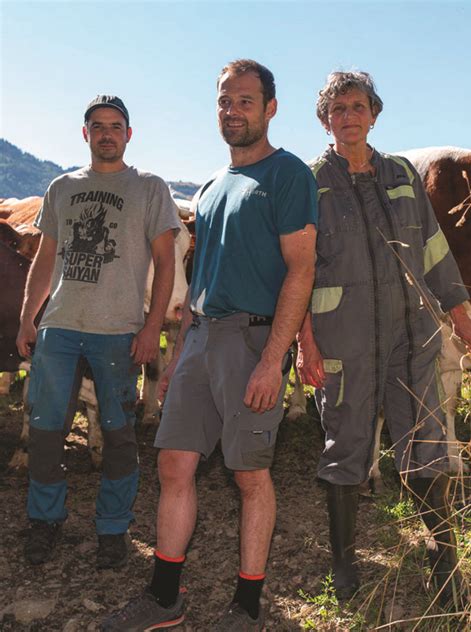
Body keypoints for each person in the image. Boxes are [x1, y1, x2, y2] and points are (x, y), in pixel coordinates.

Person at [102, 60, 318, 631]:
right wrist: (177, 359)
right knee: (174, 464)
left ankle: (246, 607)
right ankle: (165, 597)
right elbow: (200, 285)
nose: (233, 110)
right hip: (200, 340)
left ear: (270, 108)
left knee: (250, 475)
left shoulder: (288, 175)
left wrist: (275, 359)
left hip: (252, 341)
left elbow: (301, 271)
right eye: (225, 100)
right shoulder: (210, 186)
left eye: (245, 101)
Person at [297, 71, 471, 608]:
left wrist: (462, 318)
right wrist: (304, 342)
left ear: (374, 114)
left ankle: (444, 561)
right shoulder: (308, 181)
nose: (348, 116)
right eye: (338, 108)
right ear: (325, 120)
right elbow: (295, 268)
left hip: (412, 334)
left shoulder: (400, 174)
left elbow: (435, 251)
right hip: (341, 337)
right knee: (346, 447)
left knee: (426, 445)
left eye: (358, 106)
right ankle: (344, 562)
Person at [16, 94, 180, 570]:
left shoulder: (150, 188)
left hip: (118, 330)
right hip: (60, 327)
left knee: (119, 434)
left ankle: (113, 528)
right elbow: (46, 258)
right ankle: (45, 522)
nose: (106, 133)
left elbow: (166, 262)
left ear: (129, 135)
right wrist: (30, 316)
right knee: (46, 432)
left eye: (115, 126)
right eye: (97, 126)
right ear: (85, 134)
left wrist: (151, 327)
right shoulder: (62, 187)